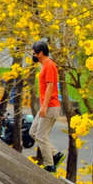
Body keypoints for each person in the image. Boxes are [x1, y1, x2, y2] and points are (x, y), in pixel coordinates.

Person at [30, 40, 64, 172]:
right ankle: (56, 154)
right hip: (45, 106)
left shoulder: (49, 65)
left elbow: (50, 87)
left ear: (40, 53)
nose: (33, 55)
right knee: (33, 132)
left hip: (50, 106)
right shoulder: (44, 65)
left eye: (34, 53)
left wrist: (44, 106)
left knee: (40, 136)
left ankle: (50, 166)